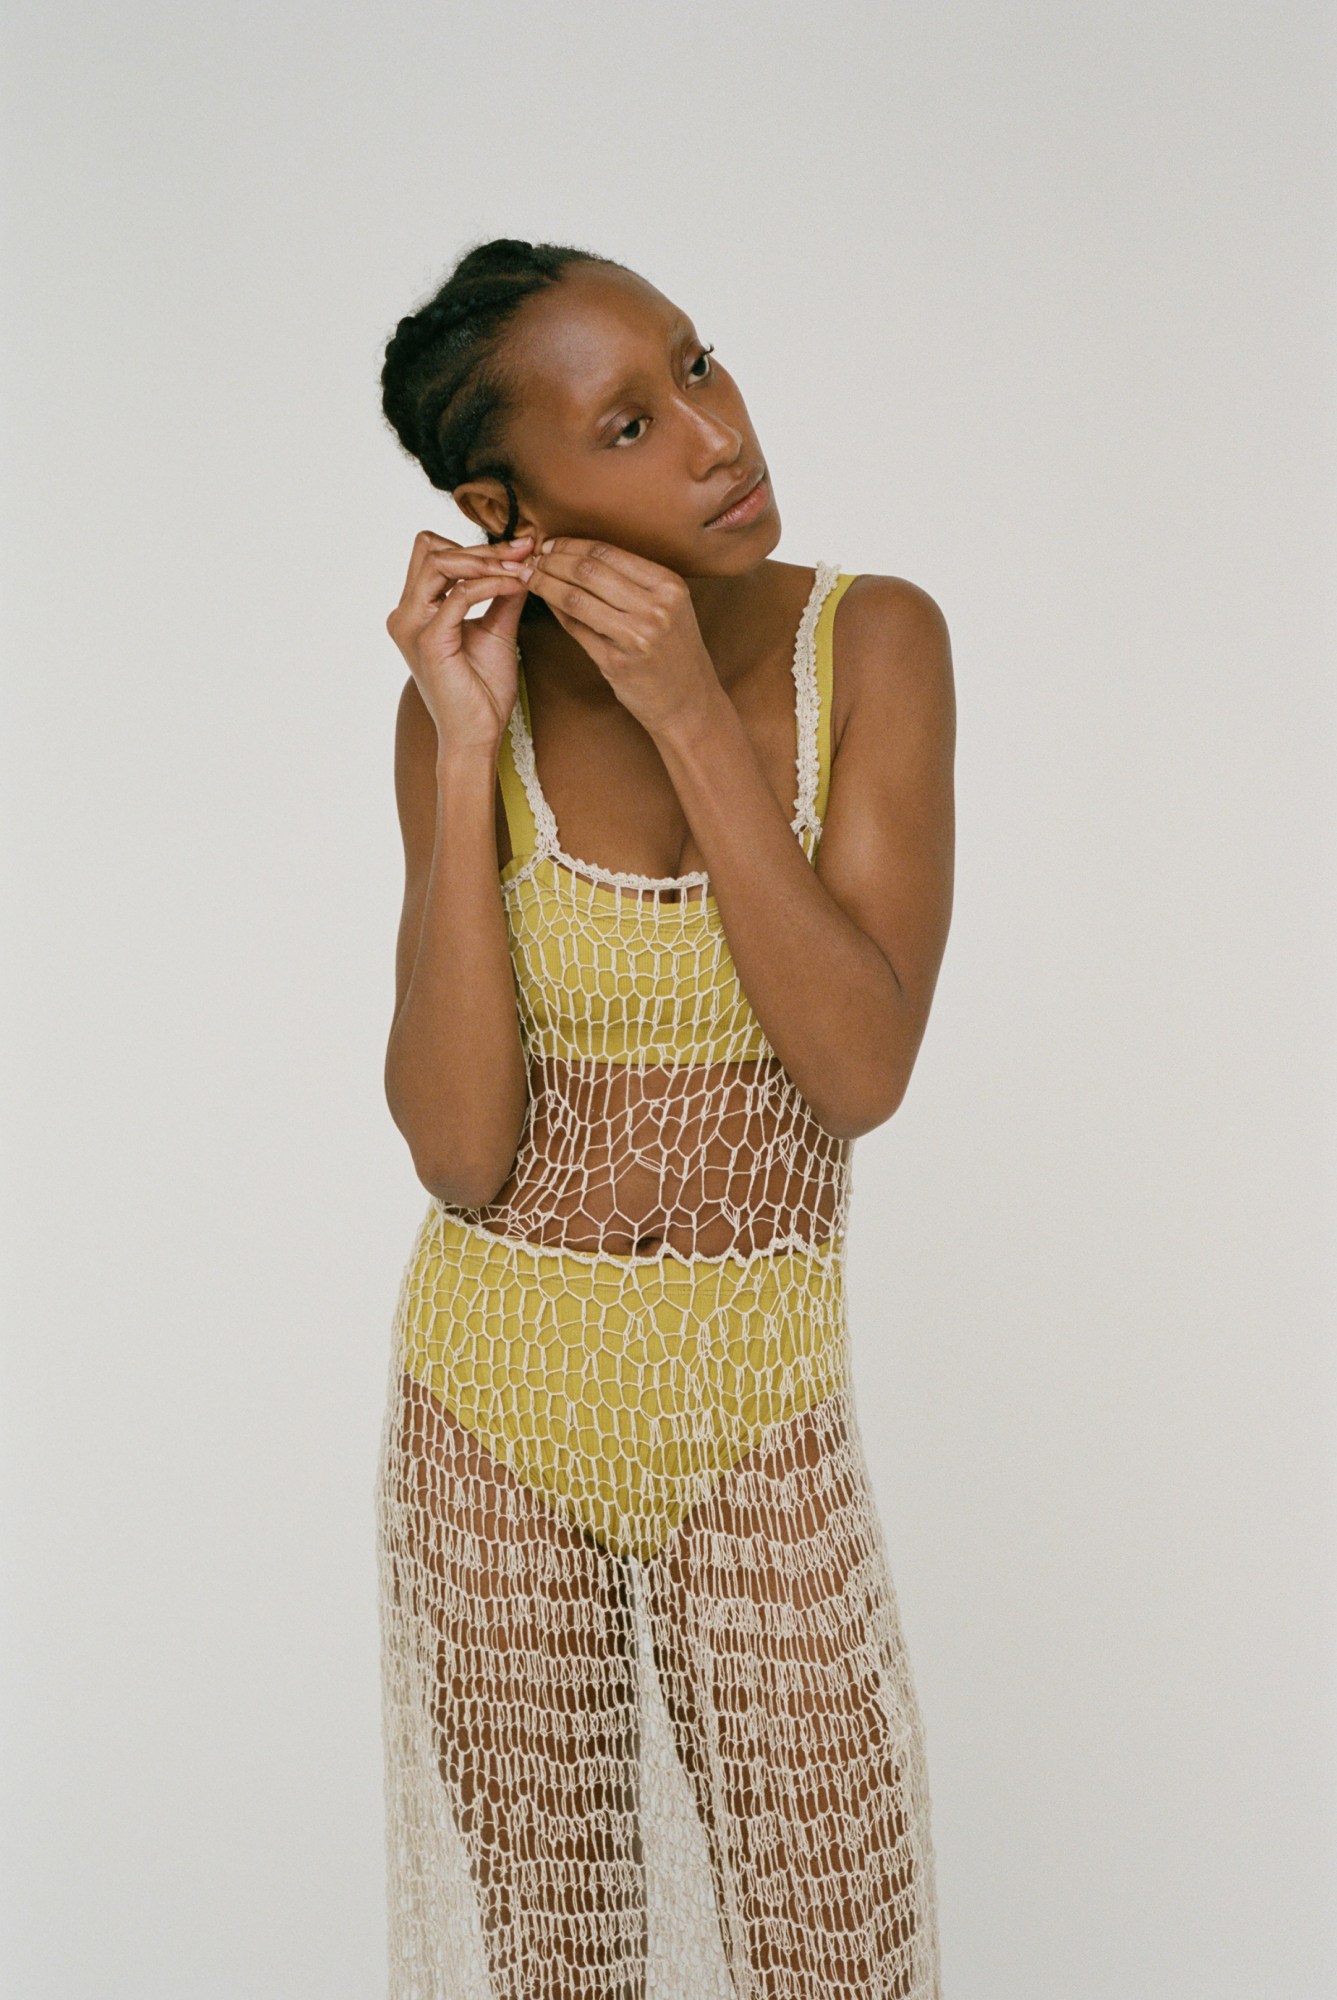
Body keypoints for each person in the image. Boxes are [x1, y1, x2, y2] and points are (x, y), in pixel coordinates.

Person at [374, 235, 955, 2000]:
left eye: (698, 366)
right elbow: (460, 1151)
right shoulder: (460, 713)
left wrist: (696, 717)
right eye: (626, 424)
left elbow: (857, 1073)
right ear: (507, 505)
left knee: (836, 1960)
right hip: (489, 1402)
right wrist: (465, 746)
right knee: (556, 1972)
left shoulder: (873, 640)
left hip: (749, 1400)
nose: (715, 436)